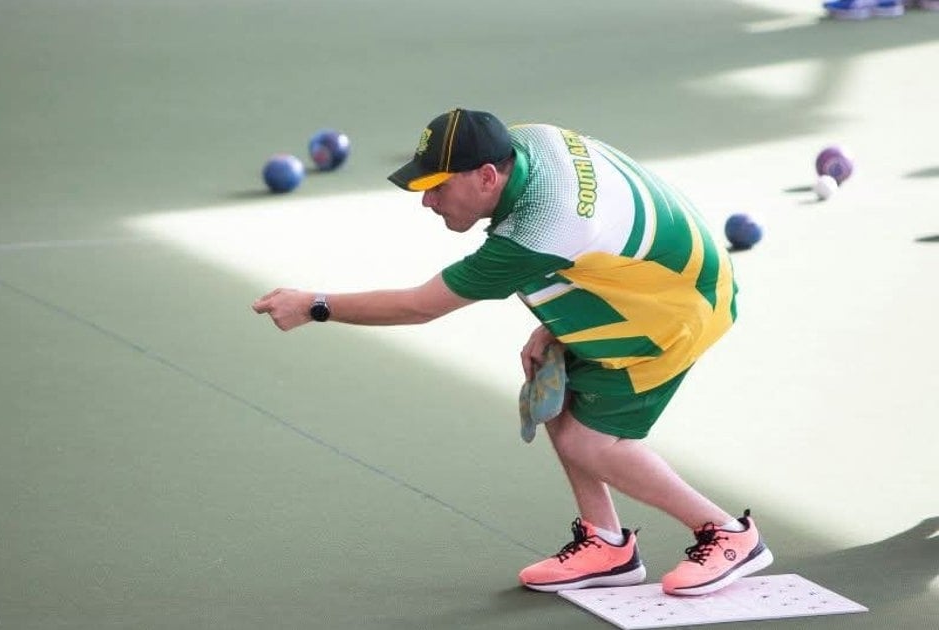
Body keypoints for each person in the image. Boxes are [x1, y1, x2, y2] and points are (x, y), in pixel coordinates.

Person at [251, 108, 773, 596]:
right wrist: (559, 325)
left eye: (437, 187)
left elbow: (419, 306)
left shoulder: (537, 229)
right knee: (555, 395)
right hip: (649, 275)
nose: (428, 202)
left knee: (594, 444)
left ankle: (728, 534)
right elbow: (596, 236)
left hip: (675, 310)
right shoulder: (531, 139)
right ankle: (607, 545)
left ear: (485, 176)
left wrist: (314, 305)